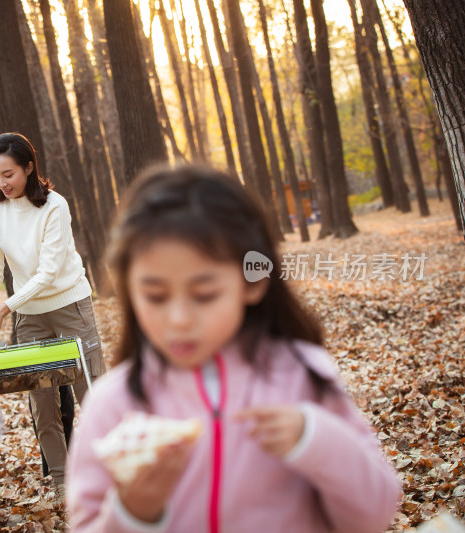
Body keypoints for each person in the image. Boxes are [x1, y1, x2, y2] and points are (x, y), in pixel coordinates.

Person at [67, 165, 401, 532]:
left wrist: (316, 439)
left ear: (253, 282)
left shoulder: (302, 374)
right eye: (155, 296)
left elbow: (375, 514)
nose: (178, 318)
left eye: (205, 294)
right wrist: (133, 512)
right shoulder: (114, 403)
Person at [0, 132, 106, 497]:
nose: (0, 183)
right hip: (30, 314)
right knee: (43, 405)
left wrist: (4, 307)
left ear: (29, 167)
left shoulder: (54, 206)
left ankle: (111, 471)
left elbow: (48, 272)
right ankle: (62, 483)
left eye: (8, 174)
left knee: (91, 393)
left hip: (70, 306)